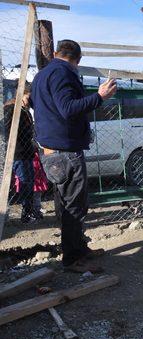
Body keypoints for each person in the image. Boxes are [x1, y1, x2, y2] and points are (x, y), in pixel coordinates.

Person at [29, 39, 117, 273]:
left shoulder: (41, 76)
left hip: (52, 150)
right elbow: (67, 108)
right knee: (73, 206)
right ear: (77, 59)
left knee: (69, 203)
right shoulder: (63, 73)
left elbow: (38, 105)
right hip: (65, 151)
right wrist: (100, 96)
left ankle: (79, 248)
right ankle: (72, 258)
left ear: (57, 53)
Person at [3, 85, 37, 223]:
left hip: (26, 151)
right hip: (17, 152)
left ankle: (28, 212)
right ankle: (26, 213)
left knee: (28, 182)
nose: (29, 101)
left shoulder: (25, 111)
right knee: (24, 182)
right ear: (22, 95)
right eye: (28, 97)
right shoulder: (11, 109)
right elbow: (6, 129)